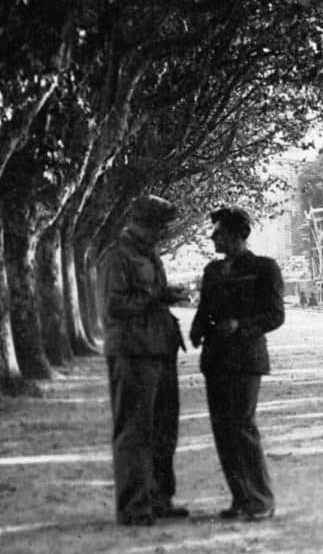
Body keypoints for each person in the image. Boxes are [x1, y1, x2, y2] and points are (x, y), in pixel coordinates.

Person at [99, 194, 190, 526]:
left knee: (164, 429)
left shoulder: (149, 255)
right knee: (135, 431)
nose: (161, 234)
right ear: (141, 223)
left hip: (159, 349)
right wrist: (158, 297)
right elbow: (113, 306)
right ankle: (133, 506)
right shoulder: (116, 257)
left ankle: (158, 498)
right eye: (158, 227)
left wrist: (162, 297)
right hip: (133, 352)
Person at [190, 207, 284, 521]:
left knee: (242, 426)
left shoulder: (264, 268)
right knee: (222, 431)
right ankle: (240, 499)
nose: (212, 236)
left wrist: (241, 326)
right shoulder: (212, 271)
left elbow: (275, 315)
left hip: (246, 359)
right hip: (215, 360)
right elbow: (204, 309)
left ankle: (261, 500)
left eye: (217, 231)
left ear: (235, 234)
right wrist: (196, 329)